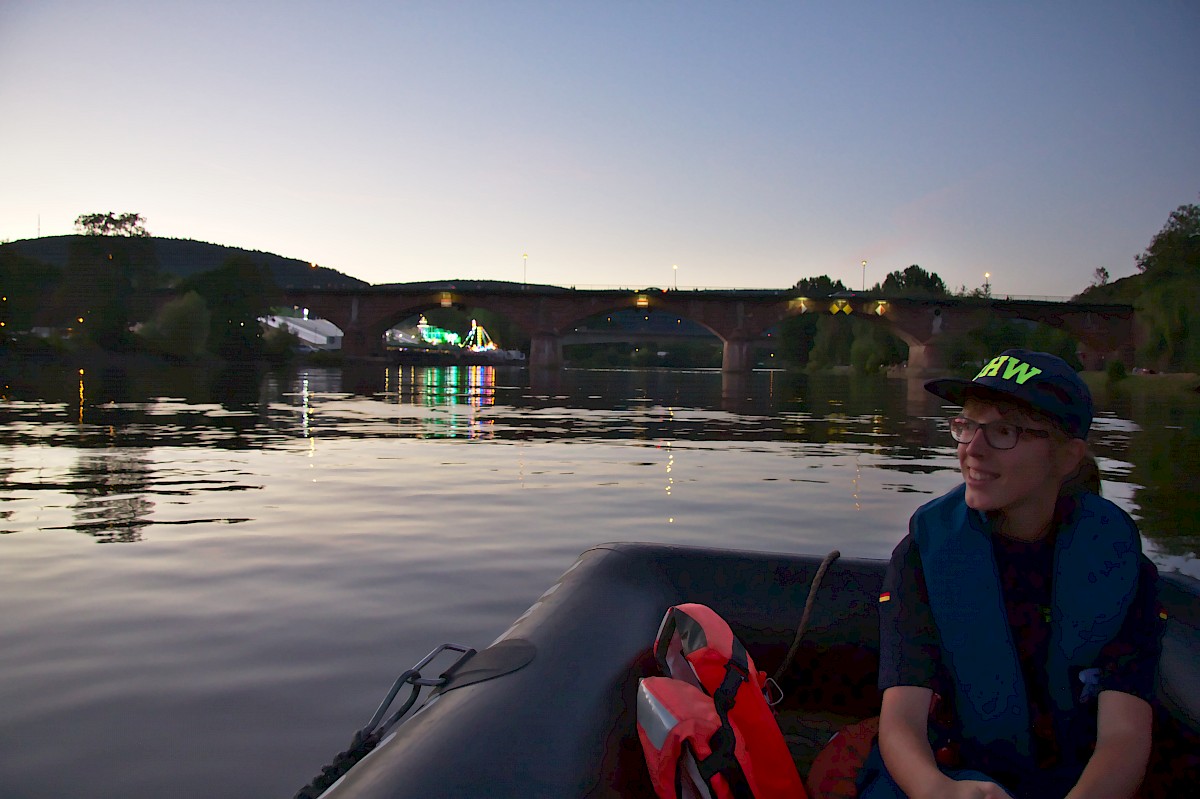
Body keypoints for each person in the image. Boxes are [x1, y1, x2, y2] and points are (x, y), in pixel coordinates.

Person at [859, 349, 1163, 799]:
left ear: (1067, 457)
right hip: (949, 776)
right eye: (965, 426)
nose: (972, 449)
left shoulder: (1121, 568)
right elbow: (902, 718)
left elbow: (1124, 736)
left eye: (1003, 431)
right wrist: (937, 790)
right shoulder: (925, 554)